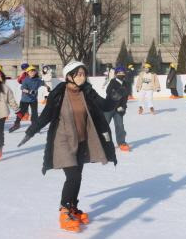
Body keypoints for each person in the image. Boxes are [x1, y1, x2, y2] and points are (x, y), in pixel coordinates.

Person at [18, 61, 120, 231]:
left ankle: (72, 206)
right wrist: (30, 132)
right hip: (63, 140)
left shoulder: (87, 91)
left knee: (77, 176)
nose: (82, 77)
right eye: (78, 74)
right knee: (72, 176)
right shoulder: (59, 94)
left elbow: (104, 106)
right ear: (69, 76)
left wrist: (114, 97)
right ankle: (64, 210)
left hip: (81, 140)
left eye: (83, 74)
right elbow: (45, 116)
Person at [10, 65, 50, 133]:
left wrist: (47, 87)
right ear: (28, 72)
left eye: (34, 71)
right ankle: (16, 124)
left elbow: (43, 83)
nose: (32, 73)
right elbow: (22, 88)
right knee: (21, 113)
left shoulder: (38, 80)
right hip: (24, 100)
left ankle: (34, 126)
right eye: (31, 71)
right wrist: (29, 91)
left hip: (33, 100)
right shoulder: (26, 80)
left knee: (34, 114)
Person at [105, 67, 131, 152]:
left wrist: (123, 107)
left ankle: (121, 142)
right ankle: (102, 142)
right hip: (109, 108)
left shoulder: (126, 84)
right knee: (104, 125)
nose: (121, 74)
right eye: (119, 73)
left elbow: (125, 98)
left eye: (122, 73)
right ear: (116, 74)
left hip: (119, 109)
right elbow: (108, 92)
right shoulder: (112, 82)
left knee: (120, 126)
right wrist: (118, 92)